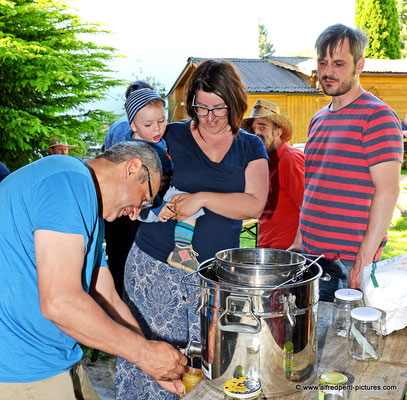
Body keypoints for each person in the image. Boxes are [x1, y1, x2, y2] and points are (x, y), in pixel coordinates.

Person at [115, 60, 269, 399]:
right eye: (201, 107)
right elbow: (127, 173)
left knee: (203, 367)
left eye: (219, 108)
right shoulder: (169, 135)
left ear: (235, 102)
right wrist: (150, 204)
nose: (210, 116)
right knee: (150, 362)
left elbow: (254, 204)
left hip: (211, 278)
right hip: (155, 270)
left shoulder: (250, 146)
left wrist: (201, 198)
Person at [0, 141, 187, 400]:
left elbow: (105, 294)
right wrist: (144, 354)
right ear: (132, 168)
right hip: (20, 364)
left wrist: (150, 358)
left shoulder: (88, 205)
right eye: (144, 199)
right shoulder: (68, 181)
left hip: (53, 355)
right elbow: (60, 303)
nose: (135, 214)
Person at [289, 24, 403, 299]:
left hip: (347, 263)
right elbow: (314, 185)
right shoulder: (317, 119)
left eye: (339, 64)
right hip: (310, 258)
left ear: (359, 65)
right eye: (323, 62)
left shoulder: (377, 116)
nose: (328, 72)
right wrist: (298, 241)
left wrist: (364, 257)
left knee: (343, 341)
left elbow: (388, 190)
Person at [124, 87, 205, 271]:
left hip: (161, 193)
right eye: (148, 125)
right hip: (146, 203)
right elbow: (137, 189)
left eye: (161, 121)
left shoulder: (153, 140)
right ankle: (182, 250)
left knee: (190, 203)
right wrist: (158, 206)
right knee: (189, 205)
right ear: (133, 126)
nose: (157, 128)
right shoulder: (135, 151)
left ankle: (181, 249)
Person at [103, 81, 154, 295]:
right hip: (129, 204)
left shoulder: (117, 126)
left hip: (115, 205)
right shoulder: (128, 127)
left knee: (116, 258)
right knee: (128, 259)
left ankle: (116, 305)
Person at [242, 100, 304, 250]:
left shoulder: (289, 158)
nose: (256, 133)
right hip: (268, 250)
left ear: (278, 131)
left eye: (263, 127)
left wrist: (297, 245)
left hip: (287, 253)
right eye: (253, 129)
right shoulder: (265, 163)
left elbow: (309, 206)